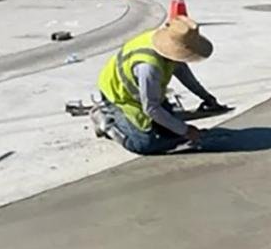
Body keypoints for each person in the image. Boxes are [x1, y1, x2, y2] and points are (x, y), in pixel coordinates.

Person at [92, 16, 225, 154]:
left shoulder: (168, 46)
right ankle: (106, 121)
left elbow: (184, 74)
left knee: (171, 133)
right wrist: (186, 130)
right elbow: (151, 108)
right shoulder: (149, 67)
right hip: (119, 95)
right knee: (145, 144)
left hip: (143, 92)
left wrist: (206, 97)